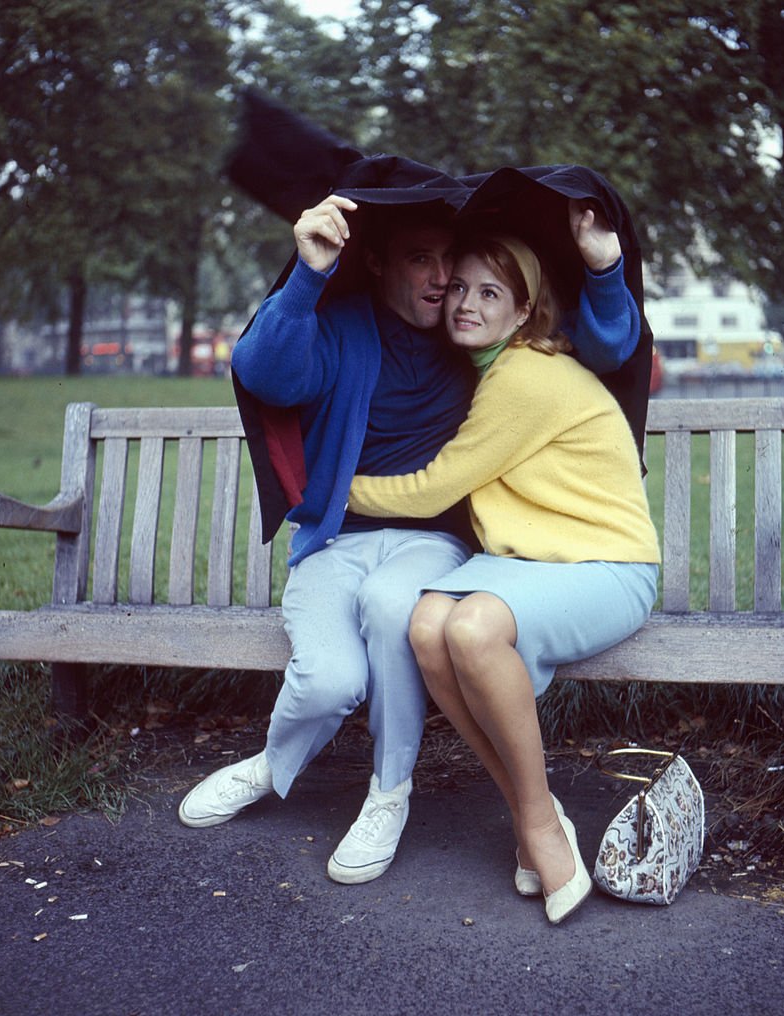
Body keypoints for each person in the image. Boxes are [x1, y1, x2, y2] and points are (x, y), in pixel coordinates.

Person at [177, 192, 640, 888]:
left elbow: (600, 344)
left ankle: (389, 794)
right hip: (338, 544)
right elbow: (264, 372)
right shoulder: (343, 329)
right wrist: (308, 273)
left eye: (450, 265)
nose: (443, 283)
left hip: (433, 545)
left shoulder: (481, 341)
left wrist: (606, 269)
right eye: (422, 261)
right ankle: (272, 764)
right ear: (376, 262)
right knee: (330, 678)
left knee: (402, 609)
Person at [345, 233, 661, 922]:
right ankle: (533, 810)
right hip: (530, 563)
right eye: (457, 286)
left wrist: (331, 492)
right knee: (427, 624)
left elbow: (432, 489)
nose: (463, 303)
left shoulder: (521, 377)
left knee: (472, 625)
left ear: (523, 311)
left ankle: (541, 826)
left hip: (605, 564)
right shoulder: (495, 368)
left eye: (489, 293)